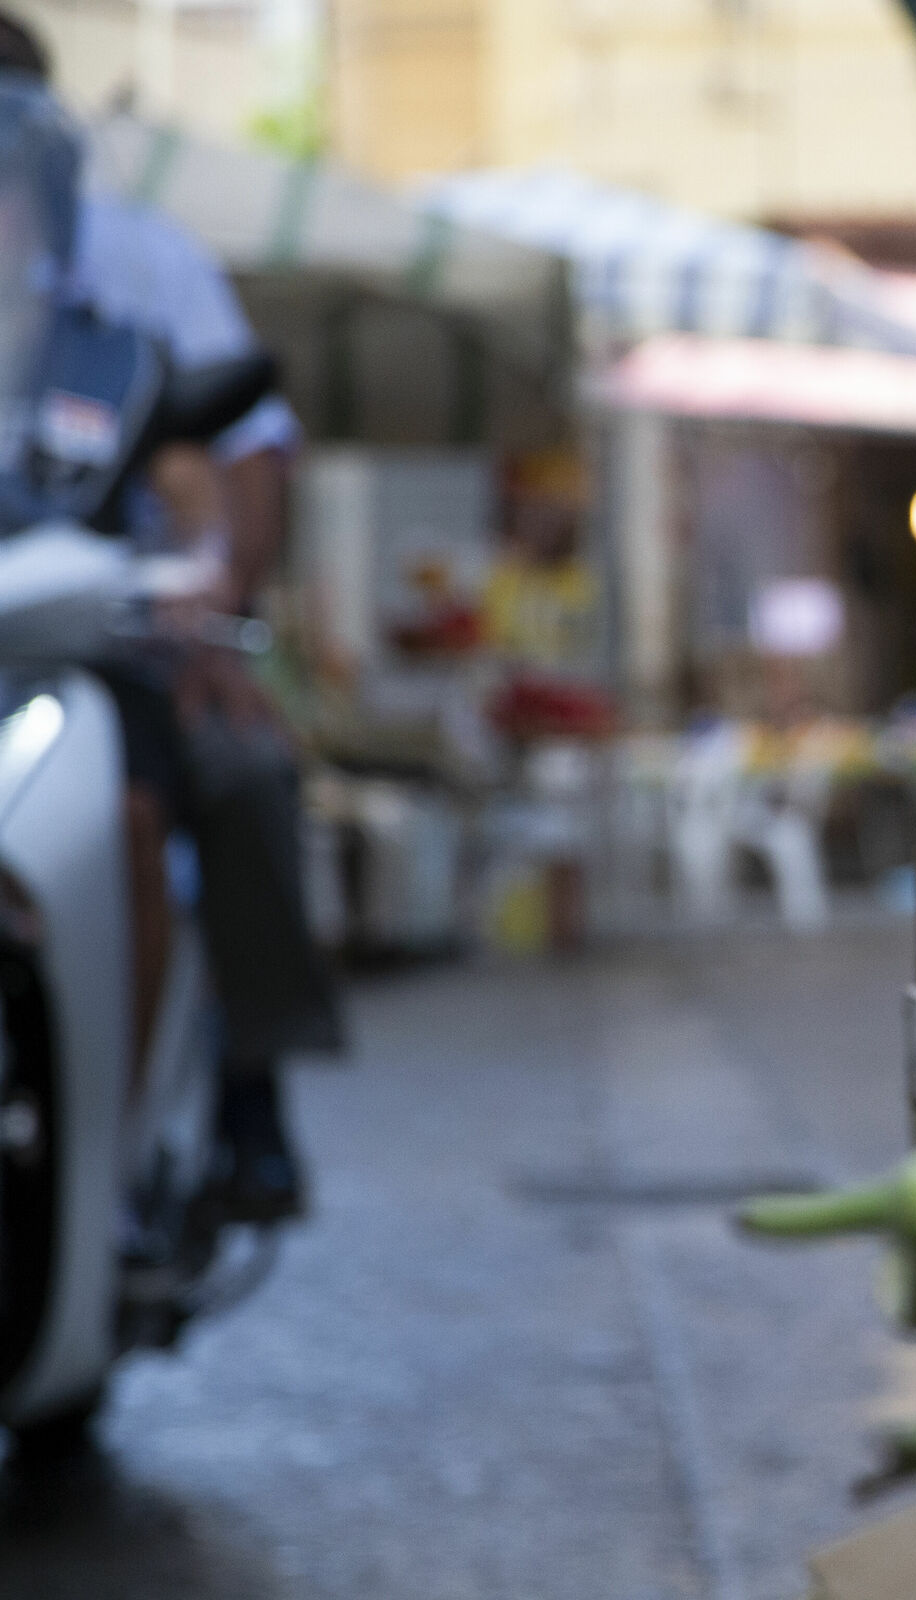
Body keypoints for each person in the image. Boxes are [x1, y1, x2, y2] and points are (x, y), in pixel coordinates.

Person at [0, 14, 340, 1222]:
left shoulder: (137, 271)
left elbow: (224, 459)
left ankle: (241, 1104)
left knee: (230, 773)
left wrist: (212, 597)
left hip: (101, 642)